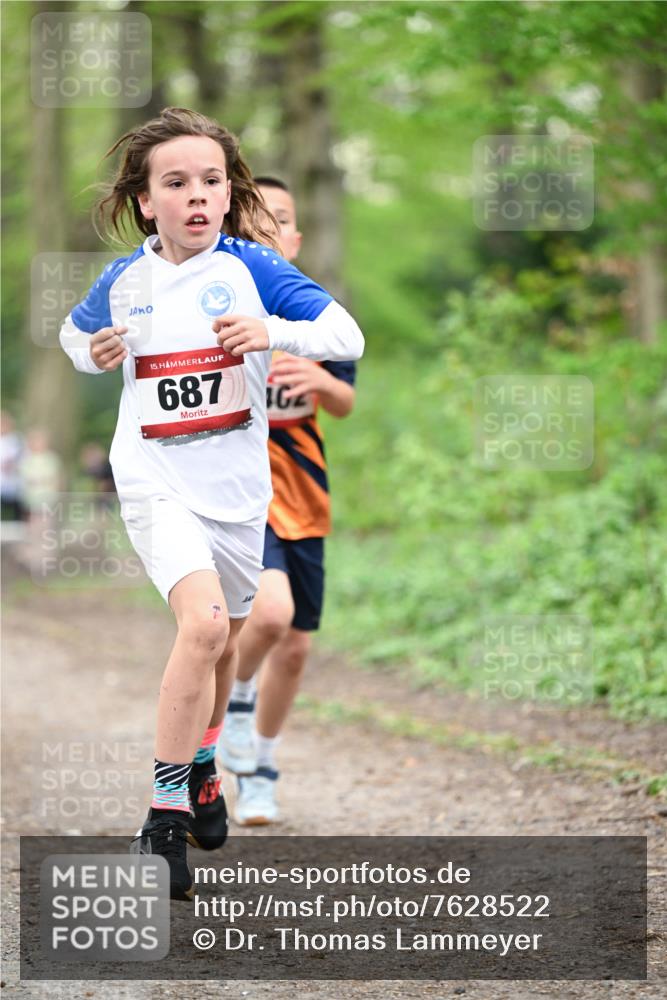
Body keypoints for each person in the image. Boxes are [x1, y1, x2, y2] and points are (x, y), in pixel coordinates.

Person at [58, 107, 364, 900]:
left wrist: (272, 332)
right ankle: (163, 815)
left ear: (228, 196)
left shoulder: (253, 268)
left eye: (211, 181)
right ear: (145, 201)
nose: (196, 196)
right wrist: (93, 352)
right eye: (175, 183)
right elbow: (71, 335)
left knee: (224, 644)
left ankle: (202, 764)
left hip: (237, 493)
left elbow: (345, 336)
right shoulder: (125, 279)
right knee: (199, 627)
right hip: (154, 477)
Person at [219, 178, 357, 825]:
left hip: (303, 488)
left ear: (294, 238)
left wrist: (321, 380)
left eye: (280, 218)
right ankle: (237, 701)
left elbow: (345, 402)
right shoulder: (216, 300)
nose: (268, 228)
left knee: (296, 645)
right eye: (255, 218)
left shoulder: (315, 312)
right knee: (267, 616)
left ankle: (261, 769)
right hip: (243, 487)